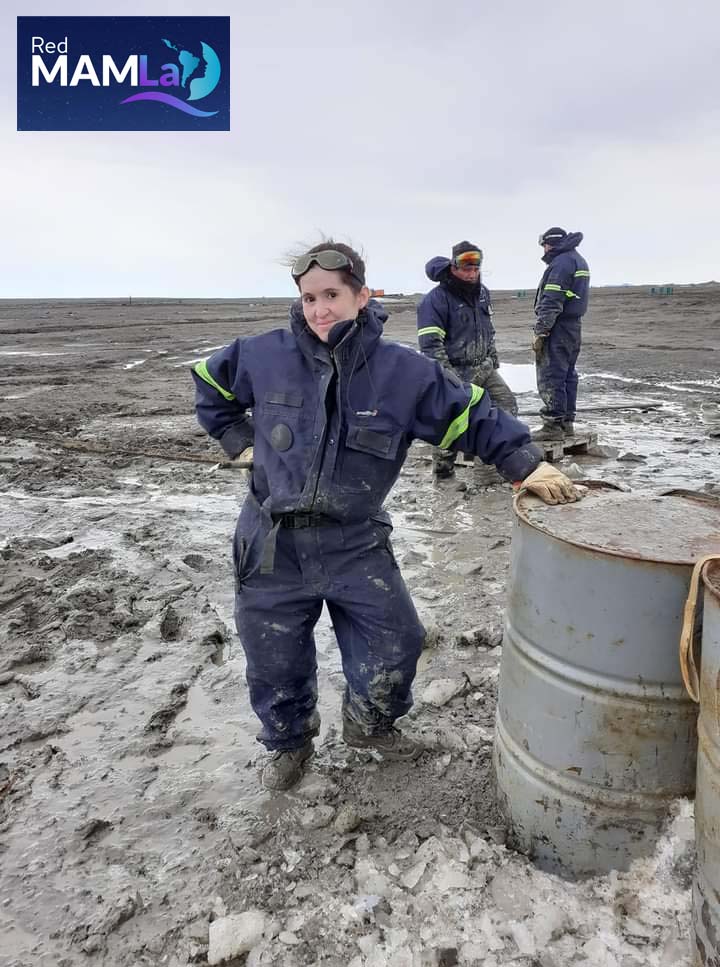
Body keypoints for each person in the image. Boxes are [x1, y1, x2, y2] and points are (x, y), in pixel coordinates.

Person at [191, 240, 581, 792]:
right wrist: (238, 440)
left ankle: (369, 726)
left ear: (361, 295)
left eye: (331, 295)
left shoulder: (402, 372)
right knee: (273, 662)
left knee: (396, 644)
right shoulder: (263, 354)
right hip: (272, 543)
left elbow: (470, 415)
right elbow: (208, 385)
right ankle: (289, 743)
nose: (319, 309)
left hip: (355, 541)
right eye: (308, 298)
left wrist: (525, 464)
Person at [417, 241, 518, 480]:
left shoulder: (483, 294)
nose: (471, 274)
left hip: (484, 367)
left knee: (506, 405)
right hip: (456, 370)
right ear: (453, 267)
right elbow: (431, 345)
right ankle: (443, 471)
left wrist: (493, 358)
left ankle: (488, 469)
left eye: (476, 268)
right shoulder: (435, 300)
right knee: (452, 423)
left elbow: (488, 329)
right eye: (466, 269)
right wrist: (448, 378)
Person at [532, 228, 590, 441]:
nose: (544, 249)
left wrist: (542, 329)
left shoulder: (561, 263)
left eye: (544, 245)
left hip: (558, 326)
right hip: (573, 327)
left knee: (552, 374)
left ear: (550, 244)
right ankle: (567, 422)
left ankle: (553, 425)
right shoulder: (577, 260)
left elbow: (552, 298)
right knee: (567, 375)